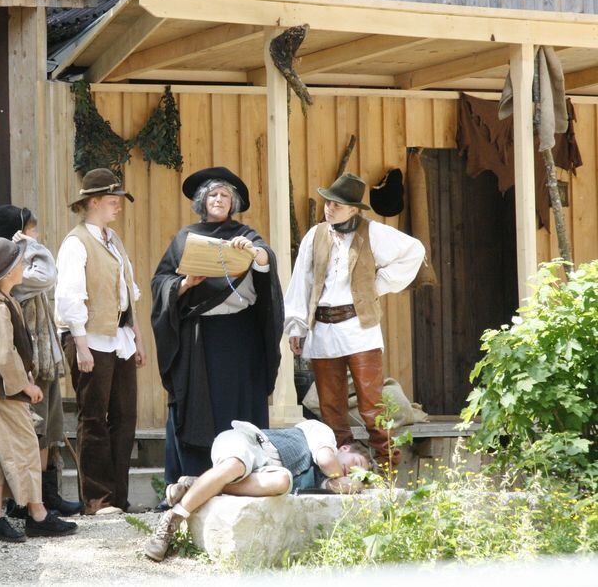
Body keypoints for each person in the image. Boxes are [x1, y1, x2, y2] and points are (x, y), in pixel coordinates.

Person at [151, 167, 284, 488]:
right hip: (199, 340)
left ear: (233, 202)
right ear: (202, 201)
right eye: (213, 194)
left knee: (238, 407)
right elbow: (160, 282)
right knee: (196, 408)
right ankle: (192, 480)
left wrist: (254, 252)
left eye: (225, 195)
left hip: (240, 338)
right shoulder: (185, 238)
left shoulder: (246, 235)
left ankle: (241, 477)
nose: (219, 199)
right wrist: (185, 284)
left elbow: (266, 260)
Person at [284, 173, 425, 468]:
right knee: (331, 408)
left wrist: (378, 284)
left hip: (359, 328)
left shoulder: (373, 232)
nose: (329, 208)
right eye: (328, 202)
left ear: (353, 209)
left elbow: (414, 251)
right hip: (322, 329)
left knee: (372, 405)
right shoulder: (315, 235)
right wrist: (296, 326)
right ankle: (344, 468)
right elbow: (301, 281)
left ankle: (387, 468)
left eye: (337, 204)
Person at [0, 237, 78, 542]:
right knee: (26, 447)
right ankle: (38, 515)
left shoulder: (3, 299)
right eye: (18, 262)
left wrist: (25, 381)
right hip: (3, 389)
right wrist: (26, 387)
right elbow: (2, 352)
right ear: (6, 273)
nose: (23, 265)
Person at [144, 418, 371, 562]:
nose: (351, 474)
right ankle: (173, 518)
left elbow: (330, 481)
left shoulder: (326, 482)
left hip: (264, 474)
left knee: (283, 481)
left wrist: (342, 485)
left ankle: (197, 485)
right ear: (345, 447)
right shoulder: (323, 434)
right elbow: (325, 461)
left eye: (355, 476)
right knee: (235, 465)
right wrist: (346, 481)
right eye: (357, 465)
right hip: (247, 442)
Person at [55, 168, 146, 515]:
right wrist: (80, 346)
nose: (118, 207)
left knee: (124, 417)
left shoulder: (113, 240)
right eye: (112, 201)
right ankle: (97, 499)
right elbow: (68, 300)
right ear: (93, 203)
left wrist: (137, 339)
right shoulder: (76, 243)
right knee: (93, 418)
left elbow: (129, 293)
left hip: (119, 338)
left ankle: (118, 497)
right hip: (89, 339)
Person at [0, 204, 84, 516]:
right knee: (36, 433)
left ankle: (47, 495)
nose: (37, 235)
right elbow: (48, 276)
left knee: (51, 432)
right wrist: (28, 245)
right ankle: (30, 504)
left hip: (45, 361)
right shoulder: (14, 274)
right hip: (29, 366)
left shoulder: (21, 267)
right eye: (31, 229)